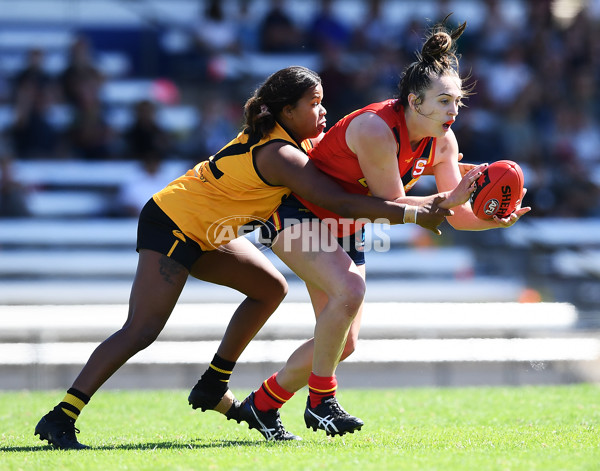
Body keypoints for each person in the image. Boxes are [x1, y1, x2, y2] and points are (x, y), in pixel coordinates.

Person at [34, 65, 472, 450]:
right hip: (172, 221)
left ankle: (213, 383)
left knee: (269, 288)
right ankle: (62, 415)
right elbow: (341, 203)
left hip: (211, 230)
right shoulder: (281, 154)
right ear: (285, 112)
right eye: (314, 104)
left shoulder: (296, 139)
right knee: (143, 328)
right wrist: (417, 211)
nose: (323, 112)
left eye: (323, 103)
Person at [230, 17, 531, 440]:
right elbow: (391, 204)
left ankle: (263, 405)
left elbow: (454, 215)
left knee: (343, 343)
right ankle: (322, 402)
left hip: (347, 222)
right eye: (443, 101)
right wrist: (456, 197)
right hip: (297, 213)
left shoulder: (444, 142)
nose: (453, 110)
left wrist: (490, 217)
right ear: (414, 100)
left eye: (457, 102)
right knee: (350, 292)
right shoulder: (375, 128)